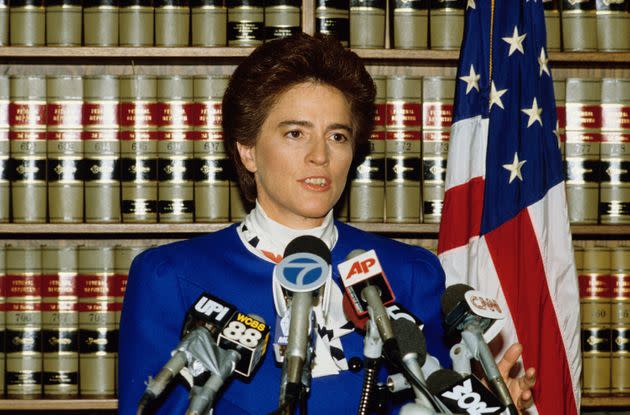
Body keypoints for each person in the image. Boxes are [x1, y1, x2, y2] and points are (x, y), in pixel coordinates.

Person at [118, 33, 535, 414]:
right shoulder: (170, 276)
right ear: (247, 150)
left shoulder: (409, 272)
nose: (320, 156)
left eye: (337, 136)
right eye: (296, 133)